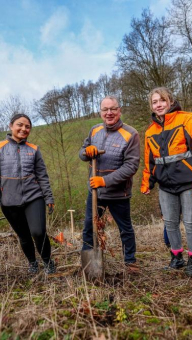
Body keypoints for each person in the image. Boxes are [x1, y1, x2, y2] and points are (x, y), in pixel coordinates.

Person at [141, 87, 192, 277]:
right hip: (166, 186)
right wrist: (147, 182)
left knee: (190, 223)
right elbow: (150, 161)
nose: (159, 105)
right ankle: (176, 258)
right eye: (155, 102)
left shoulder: (188, 120)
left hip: (189, 183)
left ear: (170, 101)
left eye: (162, 100)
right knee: (170, 223)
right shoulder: (150, 132)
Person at [0, 113, 56, 274]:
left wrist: (49, 197)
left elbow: (42, 176)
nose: (23, 129)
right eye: (20, 125)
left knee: (38, 232)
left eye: (27, 127)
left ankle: (47, 262)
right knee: (23, 235)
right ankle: (32, 262)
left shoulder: (34, 149)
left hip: (34, 197)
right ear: (11, 126)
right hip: (9, 201)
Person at [79, 95, 140, 270]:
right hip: (95, 192)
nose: (109, 113)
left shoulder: (131, 134)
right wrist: (86, 153)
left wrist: (104, 181)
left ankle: (130, 261)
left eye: (113, 109)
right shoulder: (94, 130)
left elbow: (131, 166)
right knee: (89, 227)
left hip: (118, 193)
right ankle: (89, 265)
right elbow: (82, 152)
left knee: (125, 229)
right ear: (100, 112)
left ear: (119, 110)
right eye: (105, 109)